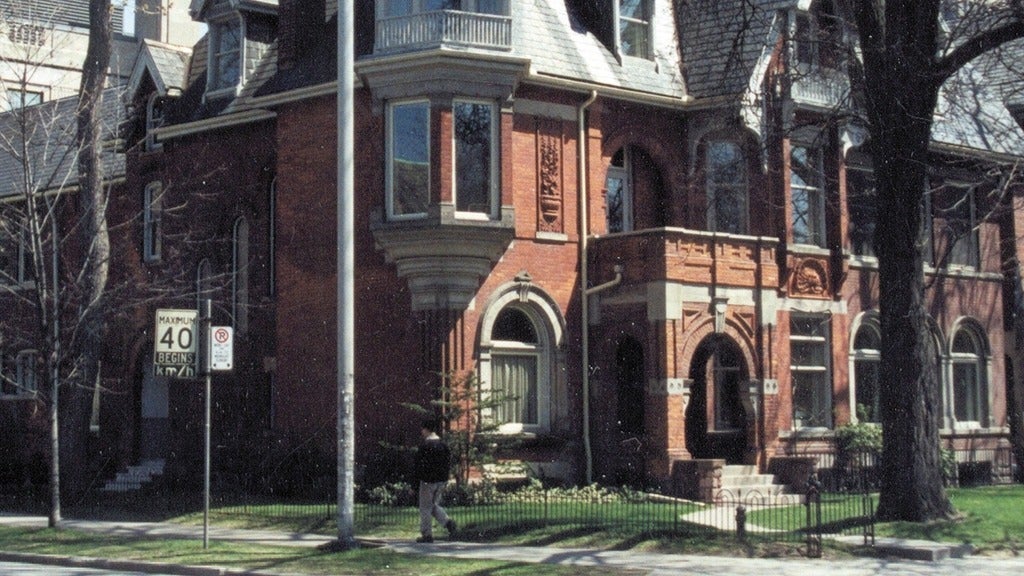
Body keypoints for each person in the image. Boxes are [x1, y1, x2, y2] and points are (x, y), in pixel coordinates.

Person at [413, 418, 457, 543]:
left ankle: (427, 534)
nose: (421, 431)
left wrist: (415, 484)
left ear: (426, 429)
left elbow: (418, 466)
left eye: (422, 429)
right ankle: (448, 523)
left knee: (425, 508)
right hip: (441, 480)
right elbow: (448, 463)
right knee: (433, 506)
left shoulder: (424, 446)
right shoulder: (443, 446)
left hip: (427, 481)